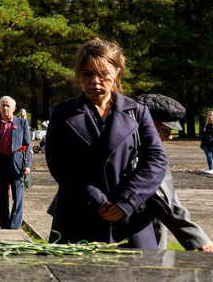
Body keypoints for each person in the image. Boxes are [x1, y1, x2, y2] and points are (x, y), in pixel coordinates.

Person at [45, 38, 167, 249]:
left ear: (117, 72)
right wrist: (97, 200)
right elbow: (58, 164)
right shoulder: (62, 113)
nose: (95, 81)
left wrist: (126, 202)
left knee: (138, 279)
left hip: (129, 217)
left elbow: (156, 161)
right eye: (87, 74)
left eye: (103, 74)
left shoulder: (138, 112)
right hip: (77, 215)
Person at [134, 93, 213, 252]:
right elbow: (163, 201)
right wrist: (198, 239)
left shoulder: (147, 149)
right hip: (138, 237)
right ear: (147, 124)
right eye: (165, 130)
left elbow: (167, 196)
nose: (170, 137)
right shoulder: (142, 153)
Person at [0, 96, 31, 229]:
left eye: (8, 106)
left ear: (14, 108)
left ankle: (15, 224)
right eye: (3, 106)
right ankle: (5, 222)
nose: (5, 108)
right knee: (1, 195)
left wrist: (27, 165)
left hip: (17, 163)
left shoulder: (22, 123)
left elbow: (27, 144)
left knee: (18, 195)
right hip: (0, 163)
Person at [201, 110, 213, 175]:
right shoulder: (204, 124)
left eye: (211, 115)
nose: (210, 116)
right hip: (205, 142)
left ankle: (212, 169)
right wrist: (207, 131)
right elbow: (201, 132)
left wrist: (206, 131)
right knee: (209, 155)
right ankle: (211, 169)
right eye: (209, 115)